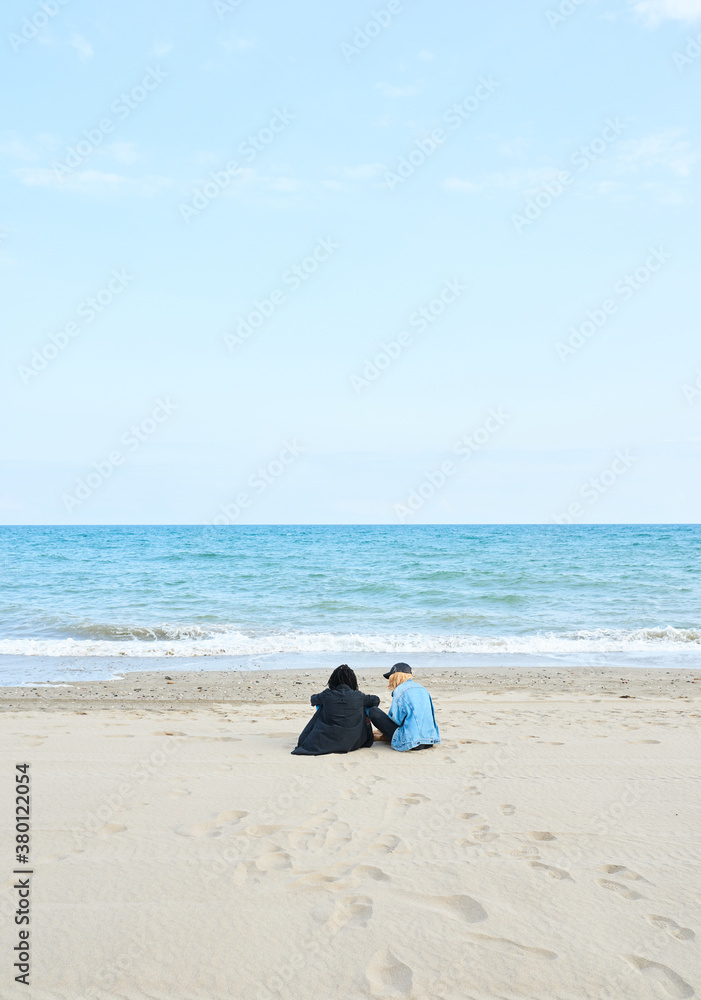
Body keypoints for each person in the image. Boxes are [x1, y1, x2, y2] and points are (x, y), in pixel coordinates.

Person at [291, 664, 380, 756]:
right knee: (364, 705)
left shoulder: (327, 694)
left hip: (327, 739)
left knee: (322, 705)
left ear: (333, 680)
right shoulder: (359, 696)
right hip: (355, 742)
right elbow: (376, 700)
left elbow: (313, 699)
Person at [368, 662, 440, 752]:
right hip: (429, 740)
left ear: (395, 677)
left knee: (373, 711)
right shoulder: (423, 689)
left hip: (411, 742)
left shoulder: (400, 690)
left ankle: (384, 737)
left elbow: (396, 720)